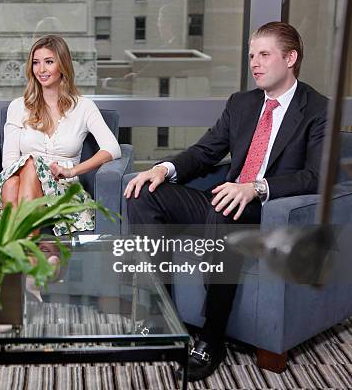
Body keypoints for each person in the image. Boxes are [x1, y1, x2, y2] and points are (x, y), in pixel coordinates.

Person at [124, 21, 326, 381]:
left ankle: (212, 336)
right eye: (251, 55)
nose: (255, 63)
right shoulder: (242, 103)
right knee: (144, 193)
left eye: (264, 54)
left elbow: (315, 176)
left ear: (290, 57)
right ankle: (163, 317)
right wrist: (163, 168)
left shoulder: (316, 109)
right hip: (223, 200)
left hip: (267, 211)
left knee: (225, 206)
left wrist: (256, 188)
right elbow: (205, 152)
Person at [0, 34, 121, 237]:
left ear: (63, 65)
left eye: (49, 62)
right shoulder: (18, 107)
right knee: (18, 176)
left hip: (62, 187)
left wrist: (72, 171)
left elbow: (112, 149)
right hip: (19, 180)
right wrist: (32, 171)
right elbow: (9, 162)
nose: (41, 70)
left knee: (21, 176)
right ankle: (28, 250)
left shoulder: (84, 107)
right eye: (36, 63)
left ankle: (17, 253)